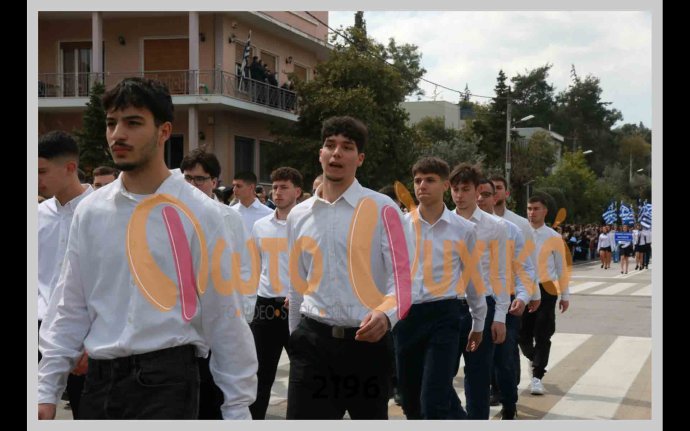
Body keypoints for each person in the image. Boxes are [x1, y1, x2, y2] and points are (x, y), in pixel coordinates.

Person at [38, 77, 257, 420]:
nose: (118, 134)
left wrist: (238, 407)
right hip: (100, 380)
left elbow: (224, 314)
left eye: (133, 123)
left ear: (164, 131)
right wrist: (46, 388)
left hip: (167, 382)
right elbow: (71, 302)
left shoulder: (202, 213)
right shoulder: (91, 211)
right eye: (111, 123)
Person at [286, 116, 412, 419]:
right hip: (313, 347)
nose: (337, 153)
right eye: (330, 145)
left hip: (365, 348)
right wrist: (295, 338)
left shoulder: (384, 209)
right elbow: (297, 283)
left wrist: (387, 315)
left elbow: (404, 279)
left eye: (347, 147)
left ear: (360, 158)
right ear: (320, 154)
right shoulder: (299, 215)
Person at [394, 157, 485, 419]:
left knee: (433, 399)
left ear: (445, 185)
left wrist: (478, 323)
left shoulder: (464, 229)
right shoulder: (400, 226)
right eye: (417, 180)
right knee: (410, 401)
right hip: (406, 317)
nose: (422, 185)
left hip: (444, 317)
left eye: (430, 180)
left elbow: (473, 278)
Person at [180, 147, 256, 419]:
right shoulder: (170, 214)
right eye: (187, 178)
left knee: (213, 402)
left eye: (199, 179)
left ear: (214, 182)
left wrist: (241, 315)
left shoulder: (229, 218)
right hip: (180, 332)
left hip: (217, 325)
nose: (192, 185)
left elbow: (245, 268)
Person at [38, 130, 94, 419]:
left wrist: (91, 342)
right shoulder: (38, 214)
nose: (36, 179)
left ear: (70, 167)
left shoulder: (101, 212)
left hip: (84, 336)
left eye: (42, 171)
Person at [448, 163, 509, 420]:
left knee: (478, 378)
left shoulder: (495, 226)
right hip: (448, 307)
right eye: (455, 189)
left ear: (477, 191)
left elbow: (501, 273)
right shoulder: (443, 222)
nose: (459, 195)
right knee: (439, 377)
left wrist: (500, 317)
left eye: (465, 189)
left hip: (483, 307)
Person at [476, 179, 537, 419]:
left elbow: (525, 268)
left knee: (504, 360)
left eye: (486, 194)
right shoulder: (458, 227)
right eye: (476, 193)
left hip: (506, 303)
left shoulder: (510, 229)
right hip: (469, 305)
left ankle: (509, 404)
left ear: (495, 198)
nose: (480, 198)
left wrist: (523, 297)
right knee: (477, 365)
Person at [249, 167, 303, 419]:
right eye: (275, 187)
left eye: (284, 187)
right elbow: (255, 266)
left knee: (303, 373)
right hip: (266, 307)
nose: (277, 192)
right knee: (260, 374)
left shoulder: (307, 225)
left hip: (299, 307)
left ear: (298, 191)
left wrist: (302, 293)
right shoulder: (260, 226)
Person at [520, 195, 570, 396]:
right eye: (529, 208)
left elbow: (561, 268)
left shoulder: (554, 237)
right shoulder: (519, 232)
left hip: (547, 288)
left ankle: (537, 376)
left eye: (536, 208)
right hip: (524, 288)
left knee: (543, 333)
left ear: (545, 211)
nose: (532, 212)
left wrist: (565, 295)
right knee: (521, 334)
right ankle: (534, 358)